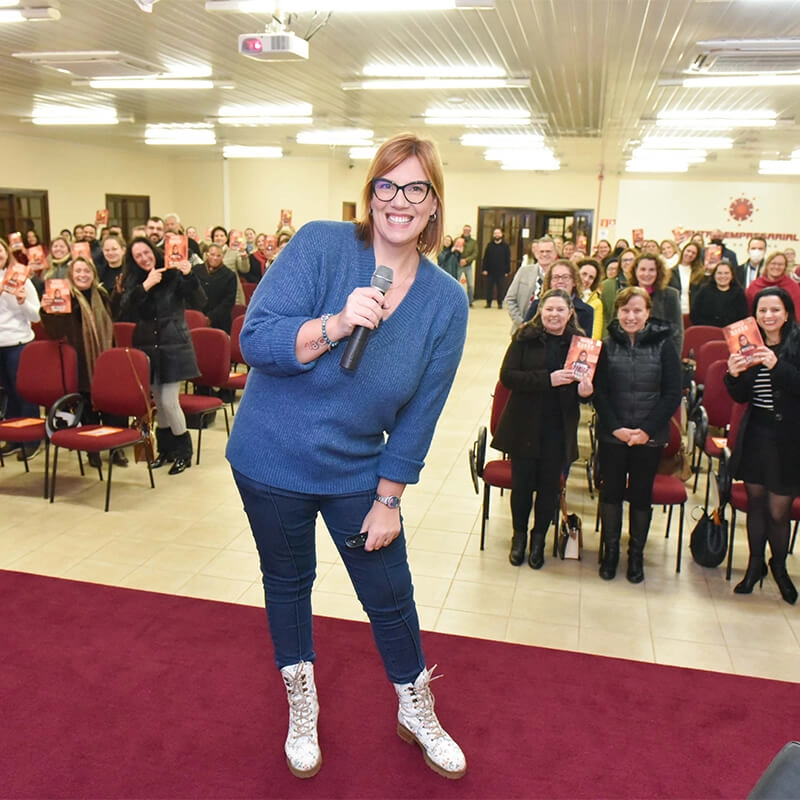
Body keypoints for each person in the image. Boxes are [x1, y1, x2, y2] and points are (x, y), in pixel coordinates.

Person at [225, 133, 468, 781]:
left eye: (416, 188)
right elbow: (256, 338)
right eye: (386, 185)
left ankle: (416, 707)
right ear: (370, 195)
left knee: (390, 594)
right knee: (288, 582)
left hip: (357, 468)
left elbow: (421, 412)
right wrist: (334, 324)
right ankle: (301, 706)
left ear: (434, 206)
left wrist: (389, 496)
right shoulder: (321, 245)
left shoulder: (446, 301)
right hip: (269, 459)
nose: (399, 200)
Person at [491, 289, 593, 569]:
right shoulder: (525, 337)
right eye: (549, 309)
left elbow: (588, 392)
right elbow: (508, 377)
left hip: (559, 426)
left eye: (560, 310)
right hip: (525, 423)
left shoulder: (581, 345)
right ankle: (519, 537)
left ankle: (539, 539)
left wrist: (586, 391)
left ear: (570, 313)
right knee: (522, 487)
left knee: (549, 489)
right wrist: (547, 379)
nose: (554, 315)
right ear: (540, 311)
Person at [592, 287, 682, 583]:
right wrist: (616, 427)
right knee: (612, 492)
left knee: (641, 495)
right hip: (613, 433)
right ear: (617, 313)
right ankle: (611, 552)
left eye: (637, 311)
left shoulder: (664, 344)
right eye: (625, 311)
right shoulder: (605, 345)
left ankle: (636, 556)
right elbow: (600, 392)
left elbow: (671, 394)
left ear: (647, 313)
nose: (631, 316)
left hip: (650, 435)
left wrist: (645, 430)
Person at [724, 287, 800, 605]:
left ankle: (778, 566)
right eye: (762, 311)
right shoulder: (747, 343)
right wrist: (733, 373)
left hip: (790, 439)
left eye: (775, 310)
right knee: (755, 504)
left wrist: (775, 364)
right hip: (756, 434)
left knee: (778, 511)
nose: (768, 316)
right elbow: (741, 396)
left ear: (787, 313)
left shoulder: (795, 344)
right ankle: (754, 566)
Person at [120, 237, 206, 475]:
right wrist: (145, 286)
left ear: (153, 251)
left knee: (169, 400)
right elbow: (124, 308)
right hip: (147, 346)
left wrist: (189, 275)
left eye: (146, 253)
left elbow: (199, 301)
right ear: (133, 260)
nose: (144, 258)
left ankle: (183, 452)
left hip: (174, 345)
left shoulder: (173, 271)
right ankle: (165, 450)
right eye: (138, 256)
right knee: (158, 402)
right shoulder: (135, 280)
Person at [39, 256, 127, 468]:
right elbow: (55, 331)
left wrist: (118, 295)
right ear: (71, 275)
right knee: (87, 408)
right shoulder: (65, 298)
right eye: (78, 271)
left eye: (86, 271)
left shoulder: (103, 295)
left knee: (113, 406)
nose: (82, 275)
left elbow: (114, 316)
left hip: (106, 361)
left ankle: (116, 448)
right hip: (80, 362)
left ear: (93, 274)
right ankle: (92, 449)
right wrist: (46, 311)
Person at [0, 237, 41, 461]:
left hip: (19, 343)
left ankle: (31, 440)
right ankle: (13, 438)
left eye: (0, 251)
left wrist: (22, 301)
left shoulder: (20, 277)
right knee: (7, 395)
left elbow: (37, 315)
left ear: (6, 253)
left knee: (24, 393)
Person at [629, 253, 683, 354]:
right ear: (635, 271)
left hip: (659, 356)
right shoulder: (624, 294)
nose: (646, 274)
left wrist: (673, 361)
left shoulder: (671, 295)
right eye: (643, 269)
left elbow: (677, 333)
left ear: (658, 272)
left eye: (651, 270)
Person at [523, 259, 594, 335]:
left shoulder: (586, 311)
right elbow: (524, 336)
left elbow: (584, 343)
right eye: (556, 277)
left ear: (574, 282)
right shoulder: (536, 306)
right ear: (549, 282)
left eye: (565, 277)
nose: (560, 281)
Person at [191, 244, 238, 332]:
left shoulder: (229, 275)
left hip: (220, 320)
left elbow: (229, 301)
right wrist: (199, 316)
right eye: (212, 254)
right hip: (197, 316)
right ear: (207, 254)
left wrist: (211, 317)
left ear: (222, 257)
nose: (215, 258)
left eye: (218, 255)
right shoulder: (196, 270)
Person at [689, 260, 748, 328]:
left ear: (732, 275)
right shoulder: (704, 291)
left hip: (730, 333)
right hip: (707, 331)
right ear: (714, 275)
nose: (723, 276)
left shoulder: (739, 293)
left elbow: (743, 318)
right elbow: (694, 315)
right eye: (719, 273)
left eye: (726, 273)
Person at [481, 227, 511, 308]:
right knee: (489, 288)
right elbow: (485, 258)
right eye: (495, 233)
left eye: (498, 233)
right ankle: (488, 303)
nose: (497, 235)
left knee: (500, 288)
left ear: (501, 234)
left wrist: (507, 271)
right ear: (493, 235)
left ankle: (500, 303)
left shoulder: (505, 246)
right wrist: (484, 269)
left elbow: (507, 258)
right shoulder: (489, 245)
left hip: (501, 271)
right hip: (490, 270)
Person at [578, 258, 605, 338]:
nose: (586, 279)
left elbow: (595, 334)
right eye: (584, 274)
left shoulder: (597, 303)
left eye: (591, 277)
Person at [458, 223, 477, 307]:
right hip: (458, 265)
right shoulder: (457, 240)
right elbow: (454, 251)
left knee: (470, 285)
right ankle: (457, 301)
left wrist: (466, 260)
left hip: (468, 265)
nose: (466, 231)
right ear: (463, 230)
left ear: (470, 231)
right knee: (456, 283)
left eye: (468, 230)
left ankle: (470, 302)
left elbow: (475, 253)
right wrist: (460, 260)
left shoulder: (473, 242)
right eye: (465, 230)